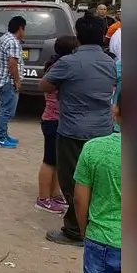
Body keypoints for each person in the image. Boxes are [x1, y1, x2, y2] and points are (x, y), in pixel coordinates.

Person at [40, 15, 118, 246]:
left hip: (73, 131)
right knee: (99, 180)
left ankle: (75, 230)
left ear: (79, 36)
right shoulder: (110, 62)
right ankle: (96, 222)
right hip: (103, 129)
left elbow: (44, 85)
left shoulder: (68, 63)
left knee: (73, 181)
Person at [74, 91, 122, 273]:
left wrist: (84, 230)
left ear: (116, 111)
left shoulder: (94, 149)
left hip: (99, 239)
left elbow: (80, 200)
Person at [36, 35, 78, 214]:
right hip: (53, 119)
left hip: (60, 120)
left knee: (59, 162)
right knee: (49, 161)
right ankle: (43, 198)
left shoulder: (61, 66)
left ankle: (55, 194)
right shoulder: (59, 69)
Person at [0, 15, 26, 148]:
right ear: (20, 28)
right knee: (7, 111)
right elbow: (12, 64)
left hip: (1, 79)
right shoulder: (13, 42)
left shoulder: (4, 38)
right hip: (8, 81)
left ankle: (3, 134)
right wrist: (17, 81)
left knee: (3, 109)